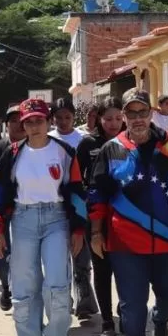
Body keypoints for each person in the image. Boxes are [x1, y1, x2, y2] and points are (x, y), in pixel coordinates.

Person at [88, 89, 168, 336]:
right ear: (124, 115)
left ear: (151, 113)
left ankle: (161, 320)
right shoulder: (112, 150)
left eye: (142, 112)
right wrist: (96, 233)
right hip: (125, 244)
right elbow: (97, 194)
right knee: (132, 312)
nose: (138, 118)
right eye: (131, 113)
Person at [0, 98, 87, 336]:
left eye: (39, 120)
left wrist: (77, 228)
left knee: (57, 286)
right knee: (24, 289)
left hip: (56, 220)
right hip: (23, 219)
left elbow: (77, 191)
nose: (34, 126)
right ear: (22, 124)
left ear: (48, 120)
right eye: (29, 122)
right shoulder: (12, 153)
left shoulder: (64, 152)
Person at [76, 97, 124, 336]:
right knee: (102, 269)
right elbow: (77, 181)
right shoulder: (87, 145)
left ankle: (126, 312)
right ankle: (107, 322)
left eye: (118, 118)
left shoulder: (131, 141)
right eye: (108, 119)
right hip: (96, 215)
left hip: (127, 215)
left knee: (127, 268)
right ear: (98, 119)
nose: (113, 124)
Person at [49, 97, 98, 318]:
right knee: (59, 259)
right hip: (55, 205)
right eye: (58, 117)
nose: (63, 121)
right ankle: (63, 302)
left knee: (81, 256)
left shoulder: (83, 140)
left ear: (73, 117)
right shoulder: (47, 139)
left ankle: (85, 303)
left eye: (67, 117)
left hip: (79, 203)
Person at [0, 104, 26, 312]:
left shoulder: (35, 147)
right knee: (2, 252)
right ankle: (5, 287)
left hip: (28, 209)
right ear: (6, 124)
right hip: (2, 210)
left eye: (21, 119)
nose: (18, 124)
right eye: (13, 120)